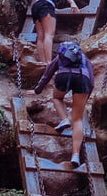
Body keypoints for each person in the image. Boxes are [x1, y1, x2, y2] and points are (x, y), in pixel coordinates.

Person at [37, 33, 94, 165]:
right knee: (77, 119)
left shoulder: (60, 56)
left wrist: (38, 89)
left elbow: (48, 73)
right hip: (83, 79)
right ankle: (75, 155)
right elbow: (91, 80)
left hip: (63, 76)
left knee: (57, 98)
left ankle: (64, 119)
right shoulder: (84, 58)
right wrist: (87, 96)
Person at [29, 0, 73, 73]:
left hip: (37, 5)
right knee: (49, 34)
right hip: (46, 5)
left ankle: (43, 62)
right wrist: (71, 2)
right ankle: (49, 63)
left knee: (41, 36)